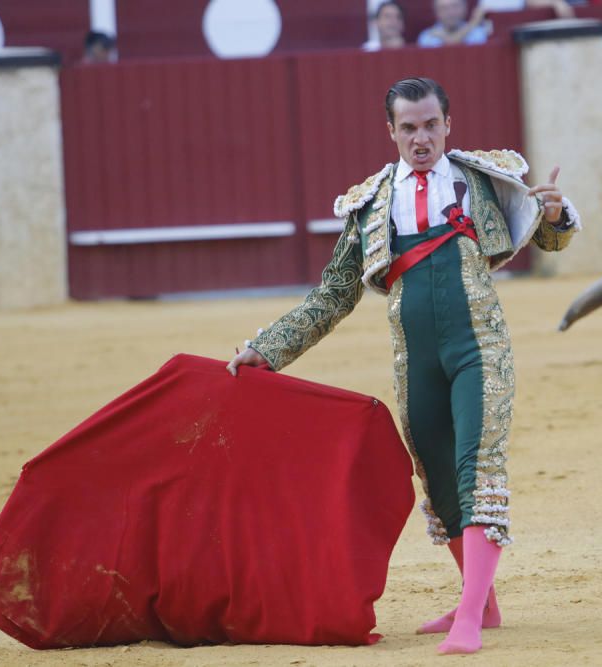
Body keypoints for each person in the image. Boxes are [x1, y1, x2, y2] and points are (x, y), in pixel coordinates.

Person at [227, 77, 580, 654]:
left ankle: (470, 617)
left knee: (476, 467)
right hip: (416, 361)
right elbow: (333, 294)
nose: (422, 138)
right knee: (439, 478)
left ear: (449, 124)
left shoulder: (481, 180)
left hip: (479, 350)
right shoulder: (370, 206)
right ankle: (482, 600)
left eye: (431, 125)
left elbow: (551, 241)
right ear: (390, 131)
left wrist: (556, 215)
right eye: (409, 128)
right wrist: (268, 347)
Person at [417, 0, 489, 47]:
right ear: (436, 12)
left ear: (465, 7)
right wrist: (474, 22)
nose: (450, 13)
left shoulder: (478, 33)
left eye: (455, 6)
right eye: (444, 8)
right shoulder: (427, 38)